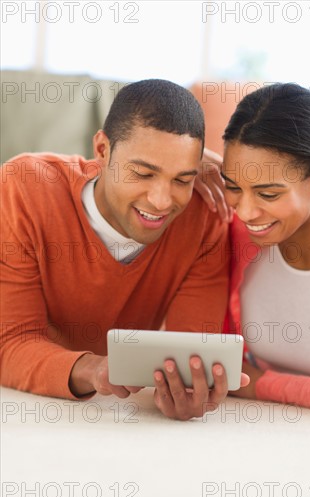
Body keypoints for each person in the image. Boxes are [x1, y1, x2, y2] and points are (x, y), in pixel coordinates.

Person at [0, 79, 248, 421]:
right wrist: (94, 369)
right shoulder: (24, 189)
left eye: (181, 180)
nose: (161, 202)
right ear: (102, 150)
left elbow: (192, 350)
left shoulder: (205, 218)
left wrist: (188, 387)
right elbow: (11, 344)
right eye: (143, 173)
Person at [212, 83, 310, 418]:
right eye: (233, 187)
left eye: (268, 194)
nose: (246, 212)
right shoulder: (228, 234)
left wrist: (259, 385)